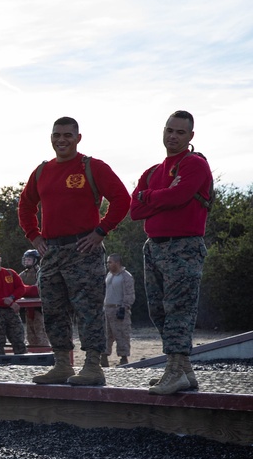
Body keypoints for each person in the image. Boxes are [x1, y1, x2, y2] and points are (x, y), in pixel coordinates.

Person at [18, 116, 130, 387]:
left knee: (88, 309)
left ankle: (93, 365)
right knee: (53, 309)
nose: (61, 140)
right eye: (57, 135)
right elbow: (25, 205)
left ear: (78, 138)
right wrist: (34, 236)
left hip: (84, 249)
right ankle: (62, 364)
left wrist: (101, 231)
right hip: (52, 252)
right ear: (51, 138)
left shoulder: (92, 167)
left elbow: (122, 199)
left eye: (67, 135)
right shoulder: (42, 172)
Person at [130, 110, 213, 394]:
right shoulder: (152, 172)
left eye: (180, 132)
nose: (173, 136)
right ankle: (183, 371)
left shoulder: (195, 164)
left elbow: (179, 197)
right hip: (154, 246)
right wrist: (159, 197)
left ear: (190, 136)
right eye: (169, 130)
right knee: (159, 311)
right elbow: (134, 210)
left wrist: (149, 197)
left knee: (179, 309)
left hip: (184, 246)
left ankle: (175, 370)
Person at [102, 253, 135, 367]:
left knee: (122, 334)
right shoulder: (109, 275)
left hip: (118, 309)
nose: (108, 264)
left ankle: (123, 358)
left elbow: (130, 293)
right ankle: (104, 357)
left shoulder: (126, 276)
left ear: (117, 262)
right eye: (107, 262)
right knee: (106, 335)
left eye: (110, 262)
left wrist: (125, 307)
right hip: (107, 308)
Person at [17, 249, 47, 348]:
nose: (26, 262)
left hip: (40, 308)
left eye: (29, 259)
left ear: (36, 260)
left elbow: (37, 289)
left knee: (40, 330)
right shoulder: (23, 274)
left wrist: (24, 290)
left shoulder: (41, 272)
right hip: (28, 307)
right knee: (30, 330)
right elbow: (16, 286)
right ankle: (33, 350)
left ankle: (44, 351)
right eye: (25, 259)